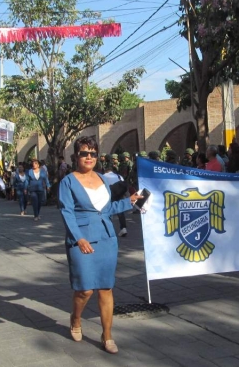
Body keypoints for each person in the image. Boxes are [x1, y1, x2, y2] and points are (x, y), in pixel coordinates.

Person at [58, 136, 143, 354]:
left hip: (106, 239)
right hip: (81, 240)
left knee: (106, 288)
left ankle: (107, 335)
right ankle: (75, 319)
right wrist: (78, 238)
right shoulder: (68, 181)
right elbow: (67, 212)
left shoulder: (103, 179)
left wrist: (130, 201)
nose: (89, 157)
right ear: (76, 156)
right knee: (85, 289)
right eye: (84, 153)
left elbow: (107, 210)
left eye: (93, 153)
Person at [103, 164, 129, 237]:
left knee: (108, 211)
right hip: (119, 195)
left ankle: (108, 230)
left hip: (109, 195)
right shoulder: (119, 176)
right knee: (120, 211)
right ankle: (123, 228)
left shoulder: (103, 176)